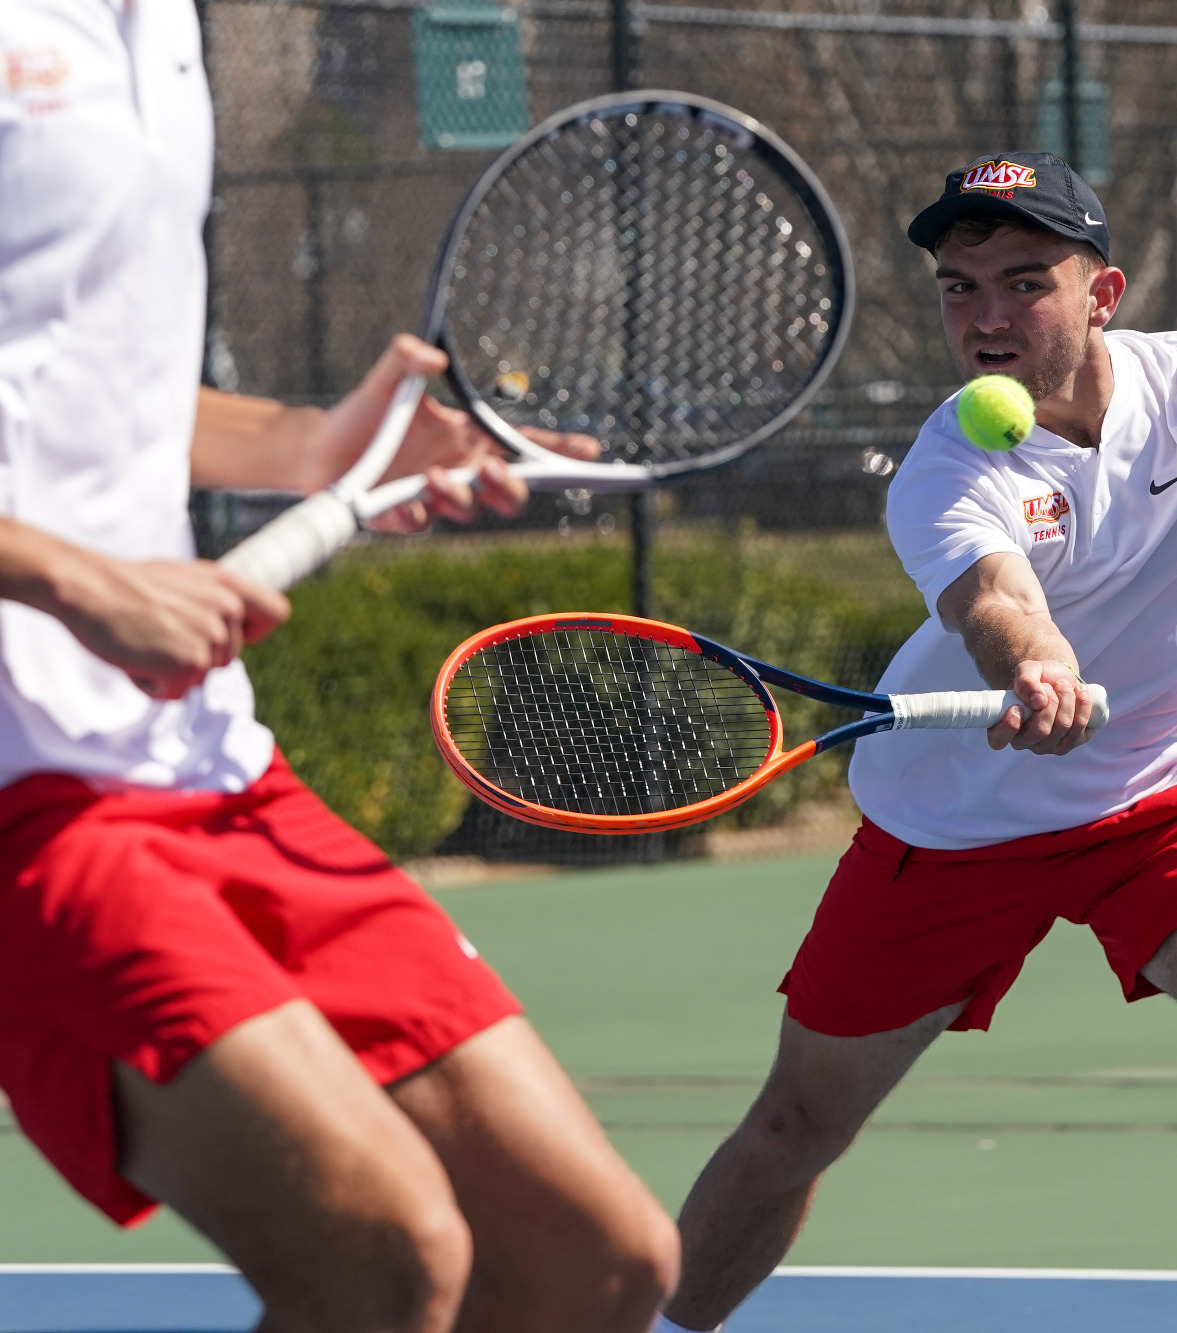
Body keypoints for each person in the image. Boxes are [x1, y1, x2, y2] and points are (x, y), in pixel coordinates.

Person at [660, 152, 1177, 1333]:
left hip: (1168, 794)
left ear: (1102, 294)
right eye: (959, 290)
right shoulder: (946, 465)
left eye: (1024, 281)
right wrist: (1035, 667)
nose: (986, 316)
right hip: (950, 822)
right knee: (794, 1126)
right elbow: (997, 604)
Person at [0, 3, 677, 1330]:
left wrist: (322, 450)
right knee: (383, 1251)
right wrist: (71, 577)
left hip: (207, 766)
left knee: (593, 1263)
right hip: (27, 799)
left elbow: (88, 387)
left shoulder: (159, 30)